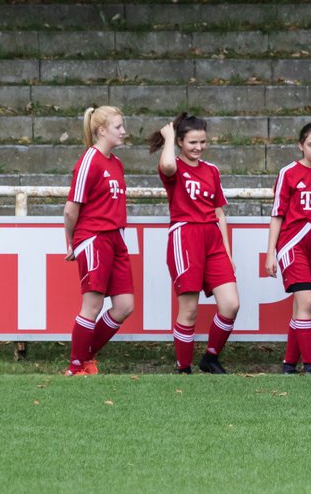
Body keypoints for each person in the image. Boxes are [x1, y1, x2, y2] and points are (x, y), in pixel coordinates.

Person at [150, 113, 240, 375]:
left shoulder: (211, 170)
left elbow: (219, 212)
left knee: (231, 304)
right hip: (185, 238)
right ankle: (184, 367)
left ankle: (210, 357)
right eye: (192, 142)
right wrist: (167, 139)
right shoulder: (174, 167)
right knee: (189, 310)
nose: (198, 147)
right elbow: (167, 165)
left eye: (202, 141)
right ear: (179, 142)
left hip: (212, 239)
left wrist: (227, 250)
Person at [62, 106, 133, 376]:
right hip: (94, 238)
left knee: (125, 306)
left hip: (115, 238)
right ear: (102, 130)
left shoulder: (115, 163)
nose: (123, 131)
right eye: (118, 127)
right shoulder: (89, 160)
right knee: (92, 305)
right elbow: (71, 209)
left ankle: (86, 355)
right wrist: (73, 242)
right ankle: (76, 366)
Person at [267, 124, 311, 374]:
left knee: (301, 307)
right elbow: (277, 215)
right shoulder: (289, 173)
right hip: (293, 243)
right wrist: (270, 253)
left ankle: (288, 364)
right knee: (307, 302)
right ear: (300, 145)